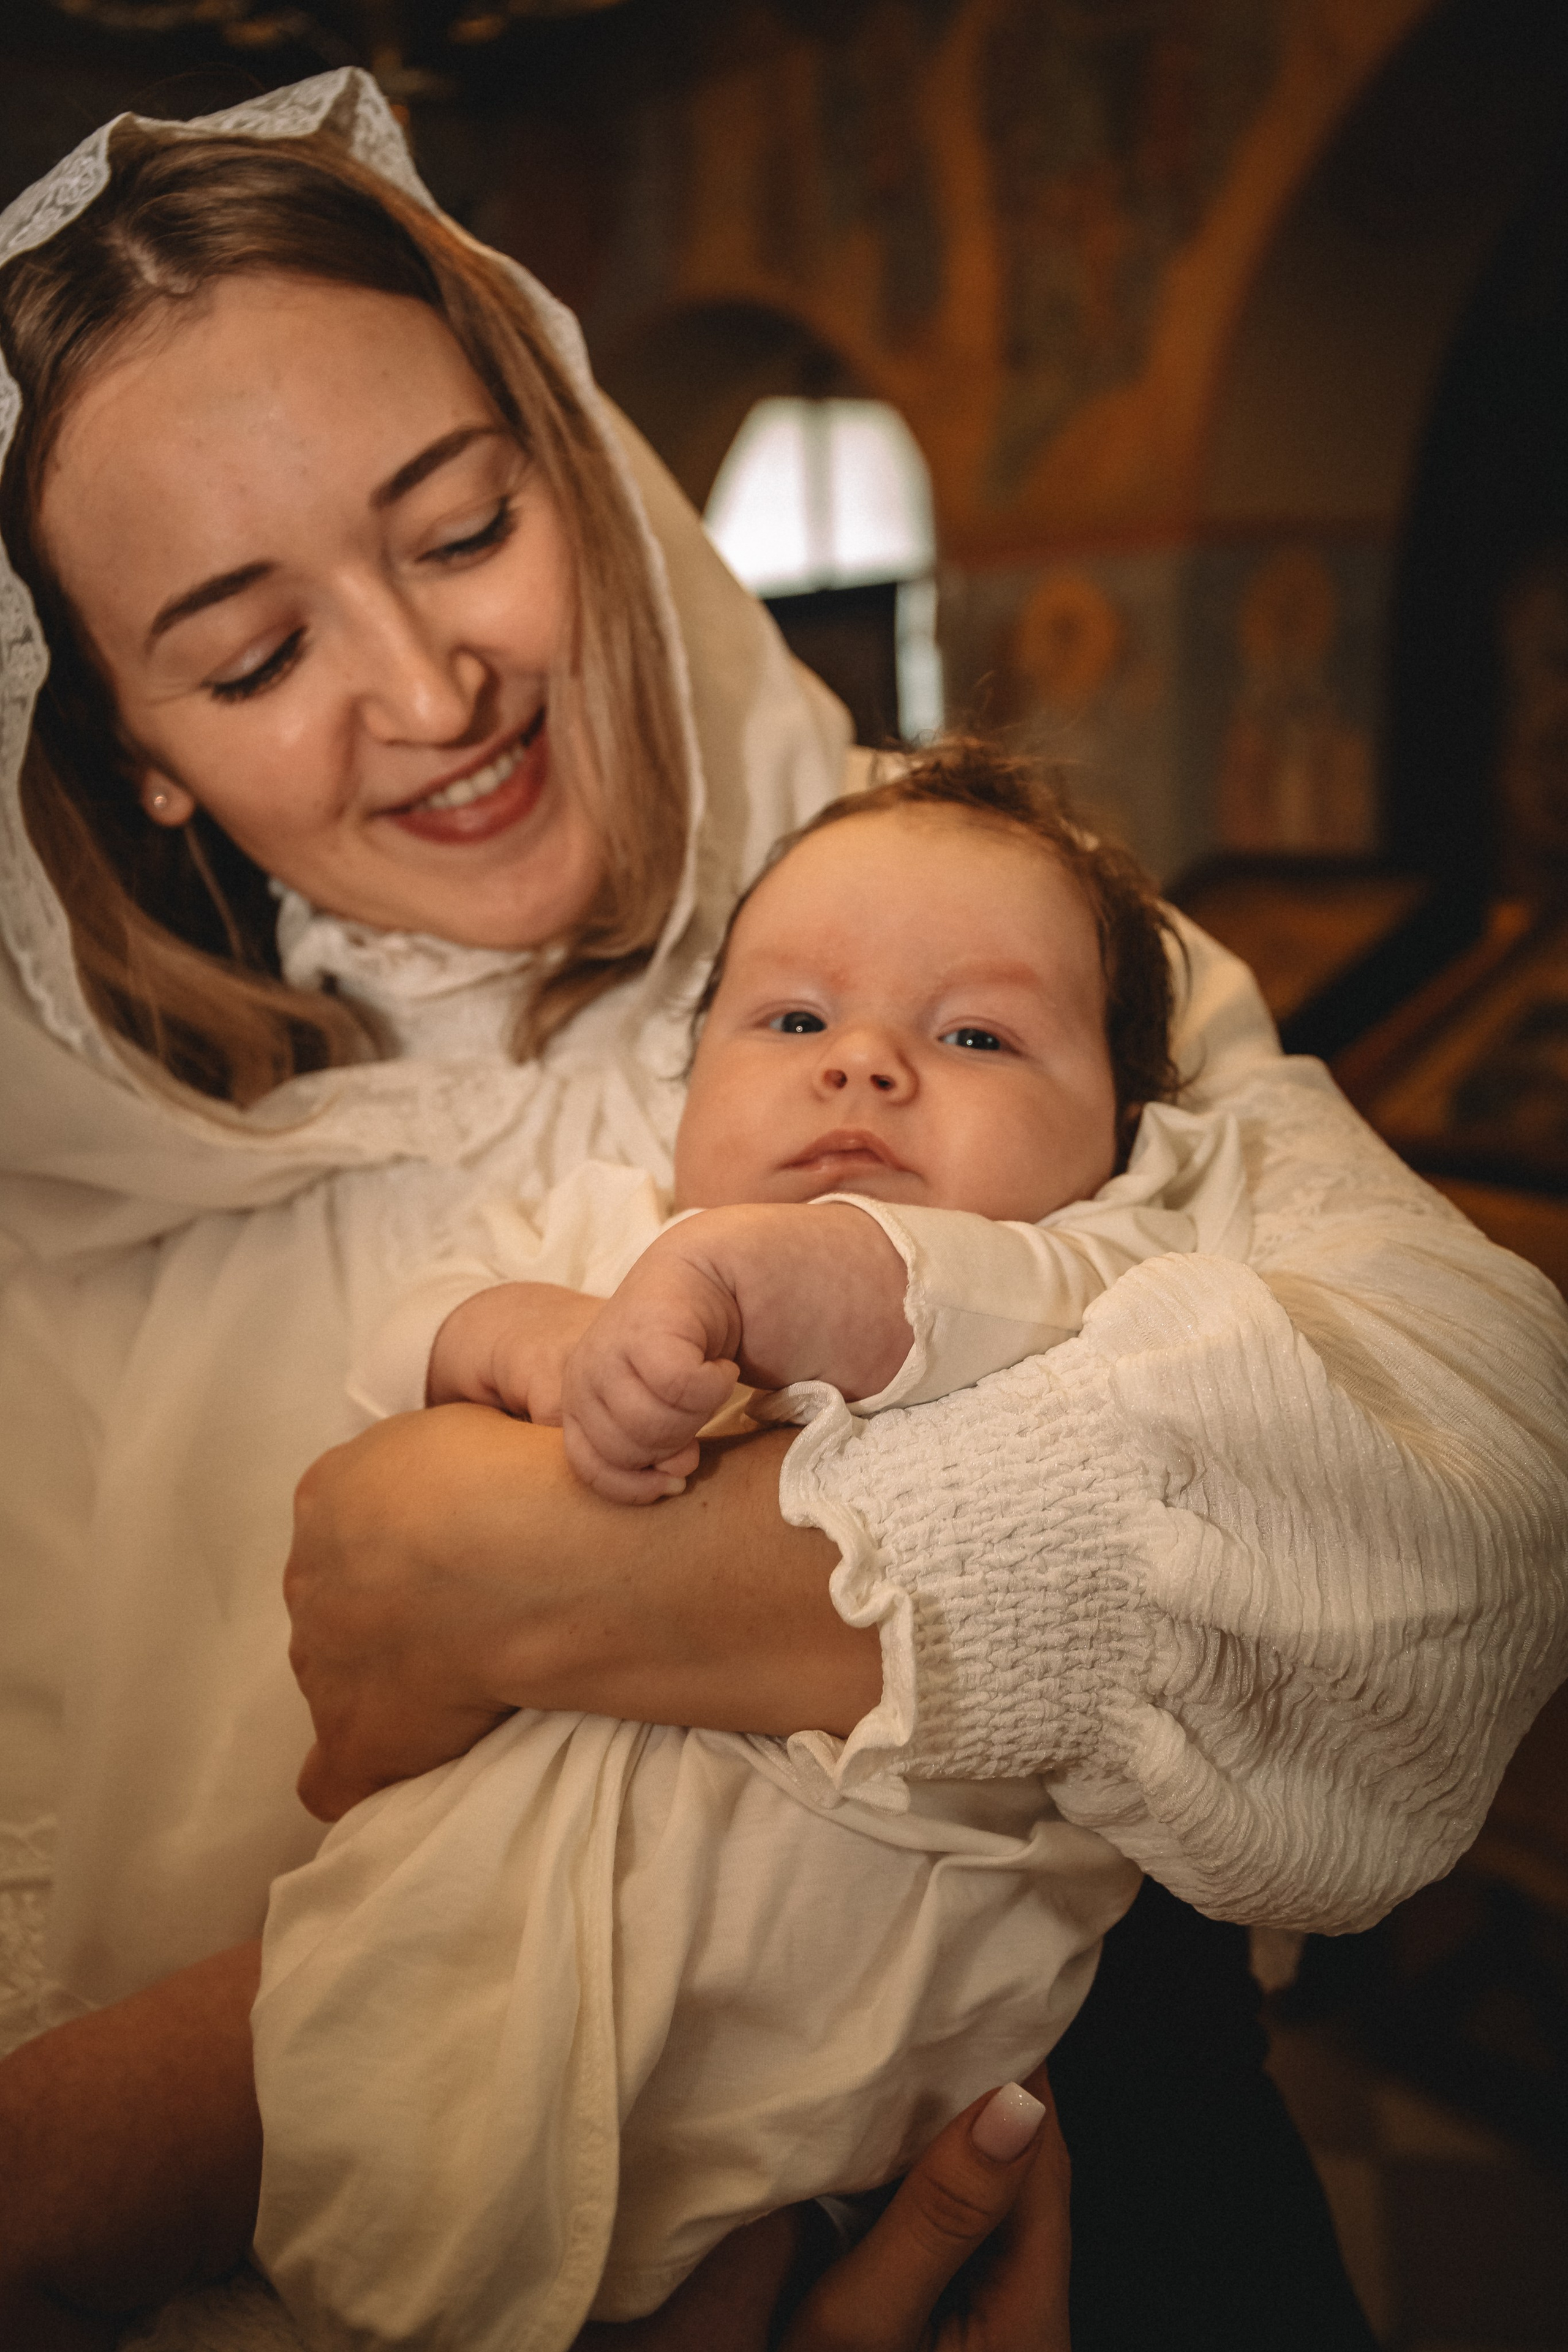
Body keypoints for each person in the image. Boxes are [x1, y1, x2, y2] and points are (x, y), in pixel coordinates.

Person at [0, 66, 1564, 2352]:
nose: (434, 693)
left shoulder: (963, 925)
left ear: (575, 463)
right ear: (130, 738)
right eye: (252, 659)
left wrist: (523, 1572)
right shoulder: (68, 1233)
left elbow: (1474, 1502)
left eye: (460, 529)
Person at [252, 748, 1247, 2348]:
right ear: (691, 1077)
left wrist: (749, 1282)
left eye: (976, 1034)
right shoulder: (598, 1228)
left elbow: (901, 1294)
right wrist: (537, 1344)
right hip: (451, 1979)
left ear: (1122, 1140)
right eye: (791, 1021)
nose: (861, 1066)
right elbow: (399, 1351)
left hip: (825, 2102)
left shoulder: (1086, 1293)